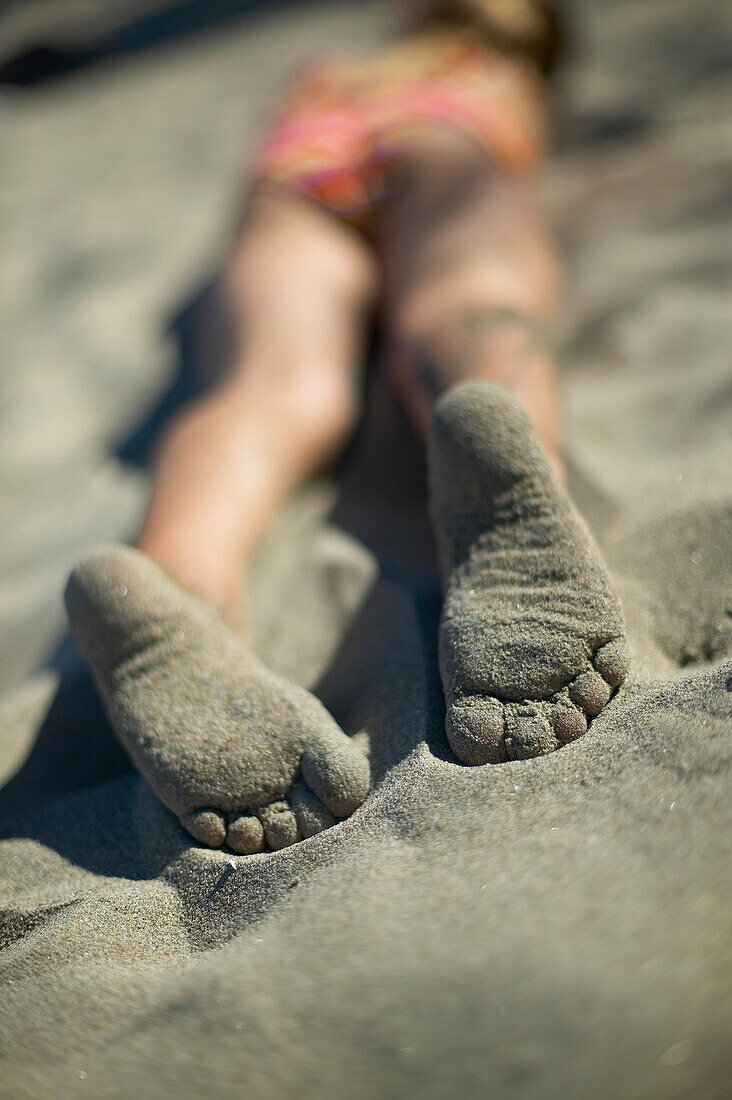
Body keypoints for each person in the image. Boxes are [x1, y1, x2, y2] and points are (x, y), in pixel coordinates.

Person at [64, 0, 630, 854]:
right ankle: (516, 482)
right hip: (449, 132)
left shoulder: (334, 71)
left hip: (300, 167)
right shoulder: (500, 72)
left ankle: (178, 591)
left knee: (273, 391)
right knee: (467, 303)